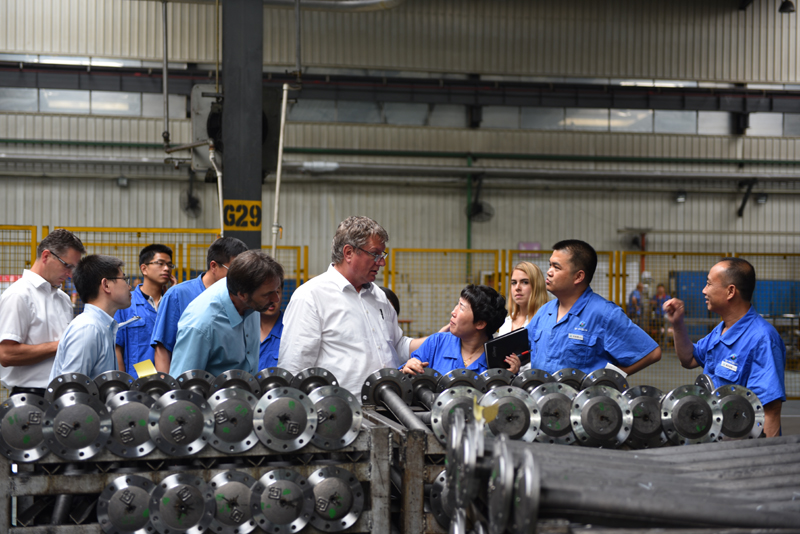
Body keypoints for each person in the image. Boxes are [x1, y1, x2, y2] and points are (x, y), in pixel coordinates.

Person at [278, 216, 433, 397]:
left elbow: (398, 346)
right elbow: (294, 367)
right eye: (375, 254)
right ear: (349, 252)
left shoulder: (379, 296)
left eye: (382, 255)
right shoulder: (311, 297)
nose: (382, 262)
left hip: (388, 405)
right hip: (338, 409)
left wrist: (443, 338)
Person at [663, 258, 785, 437]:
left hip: (739, 442)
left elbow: (770, 412)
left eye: (709, 284)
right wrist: (678, 324)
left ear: (730, 291)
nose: (704, 290)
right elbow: (688, 358)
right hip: (714, 436)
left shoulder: (762, 339)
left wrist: (764, 453)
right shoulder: (721, 330)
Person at [526, 239, 661, 375]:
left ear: (578, 276)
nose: (549, 272)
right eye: (550, 265)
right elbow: (524, 351)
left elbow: (651, 353)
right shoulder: (544, 312)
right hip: (542, 389)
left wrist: (610, 378)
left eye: (557, 267)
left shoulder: (604, 314)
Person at [170, 251, 283, 377]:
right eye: (268, 294)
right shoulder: (201, 325)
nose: (276, 299)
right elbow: (182, 384)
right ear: (242, 295)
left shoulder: (251, 301)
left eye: (276, 291)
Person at [0, 229, 86, 393]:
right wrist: (62, 345)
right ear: (46, 256)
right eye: (67, 266)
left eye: (73, 269)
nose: (70, 275)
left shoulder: (63, 299)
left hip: (61, 392)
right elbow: (6, 355)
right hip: (29, 395)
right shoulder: (18, 295)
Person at [150, 236, 248, 373]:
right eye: (235, 271)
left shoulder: (242, 298)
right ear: (214, 266)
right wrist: (167, 384)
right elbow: (163, 348)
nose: (241, 278)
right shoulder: (178, 295)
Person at [401, 285, 519, 375]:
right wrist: (406, 369)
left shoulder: (499, 361)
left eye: (461, 308)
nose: (453, 312)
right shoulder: (436, 343)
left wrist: (508, 378)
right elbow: (403, 380)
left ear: (480, 323)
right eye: (457, 304)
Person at [49, 255, 133, 379]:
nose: (129, 286)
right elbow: (72, 388)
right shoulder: (88, 329)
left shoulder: (102, 326)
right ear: (106, 285)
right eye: (124, 279)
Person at [114, 244, 175, 376]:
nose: (166, 268)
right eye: (160, 263)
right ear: (144, 268)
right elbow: (117, 348)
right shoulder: (126, 305)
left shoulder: (174, 304)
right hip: (137, 381)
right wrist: (122, 383)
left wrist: (174, 295)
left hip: (169, 379)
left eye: (170, 265)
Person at [498, 261, 548, 336]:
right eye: (514, 283)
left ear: (537, 286)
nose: (517, 288)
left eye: (525, 282)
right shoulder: (506, 322)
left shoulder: (546, 322)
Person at [257, 287, 284, 371]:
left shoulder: (290, 330)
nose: (272, 299)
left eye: (277, 292)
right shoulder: (243, 328)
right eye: (266, 293)